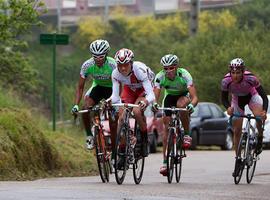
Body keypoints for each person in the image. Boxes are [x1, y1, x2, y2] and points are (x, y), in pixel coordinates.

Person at [152, 54, 198, 176]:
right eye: (165, 68)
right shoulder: (160, 76)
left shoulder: (184, 75)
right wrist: (154, 104)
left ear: (176, 67)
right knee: (166, 130)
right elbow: (155, 96)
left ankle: (187, 135)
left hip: (184, 96)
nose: (168, 71)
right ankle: (165, 162)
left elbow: (195, 97)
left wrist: (192, 105)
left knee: (181, 105)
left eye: (171, 68)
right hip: (169, 97)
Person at [71, 39, 117, 151]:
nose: (98, 60)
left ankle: (115, 146)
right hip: (98, 88)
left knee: (113, 117)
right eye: (95, 57)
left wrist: (115, 100)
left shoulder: (113, 64)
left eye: (101, 56)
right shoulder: (87, 65)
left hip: (113, 88)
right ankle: (89, 136)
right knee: (85, 109)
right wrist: (76, 104)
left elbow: (119, 83)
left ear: (106, 54)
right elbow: (80, 87)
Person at [110, 48, 155, 158]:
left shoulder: (139, 70)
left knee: (136, 110)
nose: (123, 68)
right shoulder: (115, 73)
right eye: (120, 65)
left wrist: (145, 101)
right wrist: (110, 102)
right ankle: (122, 150)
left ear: (131, 62)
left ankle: (144, 139)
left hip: (143, 89)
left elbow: (151, 95)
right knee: (121, 117)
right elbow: (115, 97)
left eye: (126, 64)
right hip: (129, 89)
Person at [221, 58, 268, 162]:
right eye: (233, 73)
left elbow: (264, 97)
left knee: (258, 117)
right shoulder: (226, 81)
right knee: (237, 131)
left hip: (252, 96)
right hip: (237, 99)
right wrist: (228, 107)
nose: (235, 75)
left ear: (243, 71)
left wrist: (264, 111)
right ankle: (238, 157)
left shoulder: (251, 78)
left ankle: (260, 136)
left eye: (238, 73)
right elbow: (224, 98)